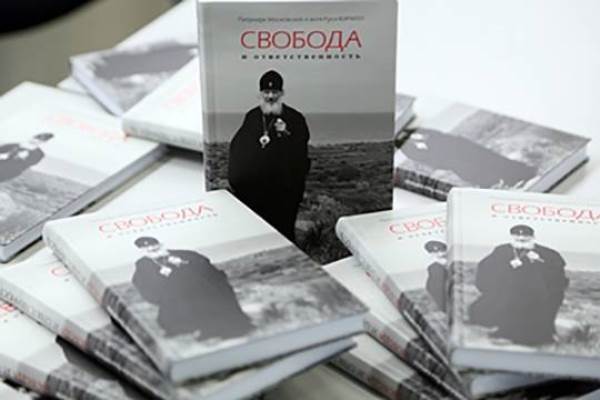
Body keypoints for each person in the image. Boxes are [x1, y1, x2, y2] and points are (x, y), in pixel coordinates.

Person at [228, 70, 311, 242]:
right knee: (259, 234)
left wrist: (285, 132)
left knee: (284, 233)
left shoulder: (295, 118)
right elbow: (238, 147)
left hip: (285, 192)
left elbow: (301, 148)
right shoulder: (252, 117)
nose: (271, 96)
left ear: (282, 93)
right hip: (257, 191)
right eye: (267, 92)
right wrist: (238, 179)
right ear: (260, 93)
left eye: (275, 92)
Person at [131, 237, 254, 341]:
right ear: (141, 250)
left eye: (153, 245)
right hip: (176, 298)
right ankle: (198, 329)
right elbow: (141, 282)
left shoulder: (183, 254)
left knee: (209, 298)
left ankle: (225, 328)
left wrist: (184, 263)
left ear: (160, 244)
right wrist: (159, 276)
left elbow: (205, 265)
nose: (151, 249)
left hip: (203, 290)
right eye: (146, 248)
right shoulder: (142, 264)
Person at [469, 225, 569, 346]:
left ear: (533, 237)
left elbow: (557, 273)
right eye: (517, 236)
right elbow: (486, 268)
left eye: (525, 236)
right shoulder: (501, 251)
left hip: (538, 297)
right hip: (508, 294)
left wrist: (540, 260)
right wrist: (508, 266)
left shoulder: (547, 253)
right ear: (512, 237)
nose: (521, 238)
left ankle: (534, 335)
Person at [399, 129, 538, 189]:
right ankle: (504, 184)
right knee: (478, 174)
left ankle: (522, 173)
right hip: (454, 160)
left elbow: (440, 135)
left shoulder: (417, 130)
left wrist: (427, 138)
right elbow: (424, 158)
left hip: (464, 148)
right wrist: (445, 159)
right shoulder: (405, 147)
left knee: (493, 160)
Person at [424, 240, 448, 312]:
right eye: (436, 252)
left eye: (441, 251)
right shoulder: (435, 265)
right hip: (437, 288)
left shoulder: (442, 262)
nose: (440, 253)